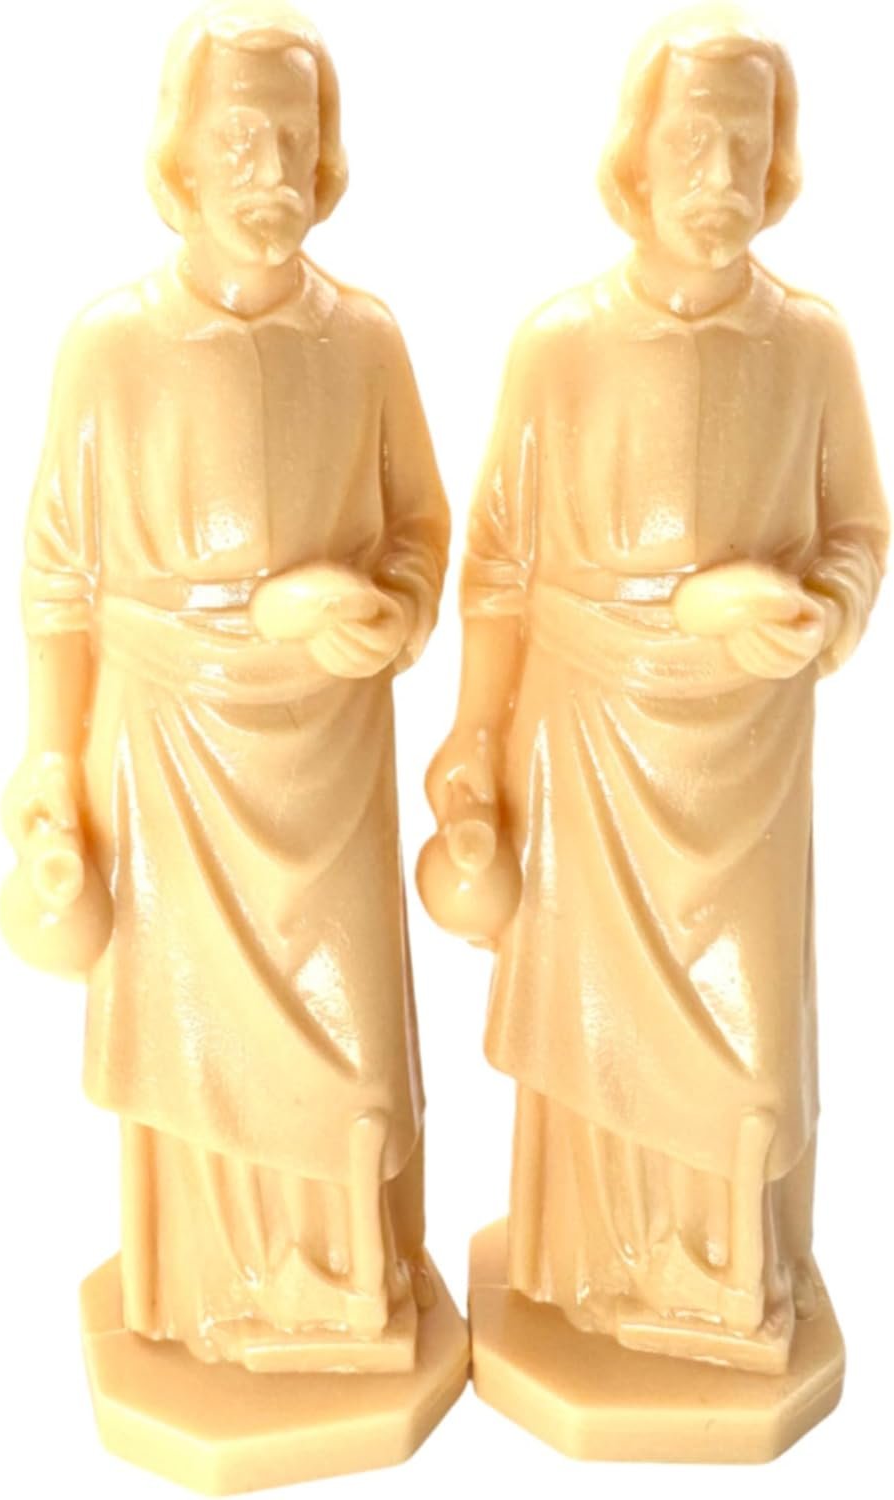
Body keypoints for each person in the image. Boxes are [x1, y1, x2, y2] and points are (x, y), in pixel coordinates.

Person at [426, 7, 888, 1370]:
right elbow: (499, 567)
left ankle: (728, 1270)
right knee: (597, 1019)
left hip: (745, 755)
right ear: (635, 154)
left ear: (779, 162)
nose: (718, 175)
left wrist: (821, 615)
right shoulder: (561, 344)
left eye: (746, 144)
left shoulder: (809, 346)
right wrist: (474, 737)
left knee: (745, 1030)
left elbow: (857, 530)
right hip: (587, 739)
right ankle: (593, 1264)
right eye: (690, 141)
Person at [4, 0, 449, 1371]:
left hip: (329, 751)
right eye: (239, 140)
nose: (270, 173)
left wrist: (390, 614)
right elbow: (59, 580)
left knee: (344, 1027)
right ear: (181, 156)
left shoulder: (364, 340)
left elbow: (422, 529)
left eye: (294, 142)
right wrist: (48, 761)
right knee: (194, 1035)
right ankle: (208, 1288)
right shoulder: (111, 345)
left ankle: (342, 1278)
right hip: (166, 750)